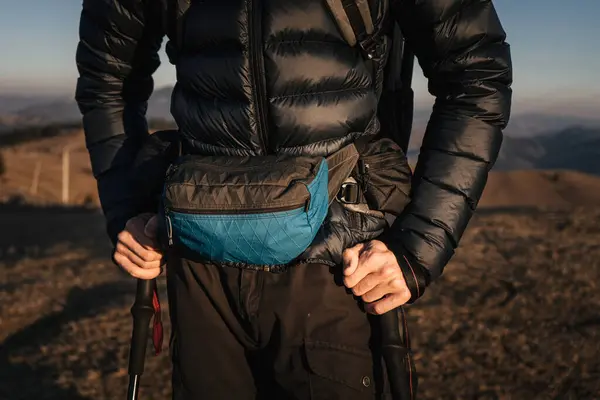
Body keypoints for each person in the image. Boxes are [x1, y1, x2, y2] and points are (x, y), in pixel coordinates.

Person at [75, 0, 512, 398]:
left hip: (338, 260)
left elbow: (476, 75)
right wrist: (127, 209)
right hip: (202, 264)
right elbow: (106, 81)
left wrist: (418, 248)